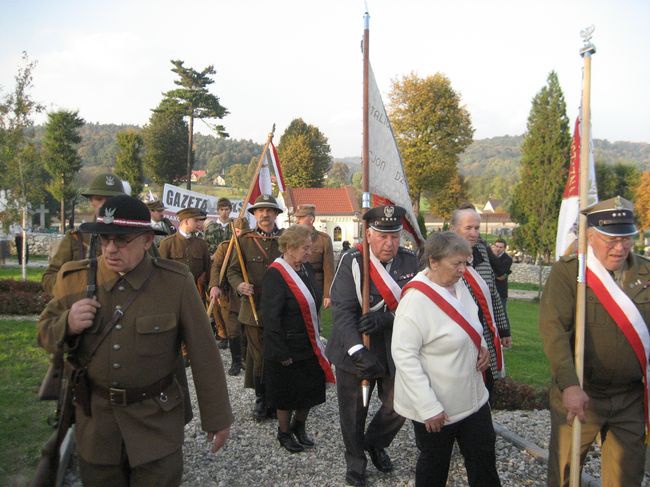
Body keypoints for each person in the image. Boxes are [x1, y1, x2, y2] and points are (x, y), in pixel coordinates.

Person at [37, 195, 233, 487]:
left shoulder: (175, 282)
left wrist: (217, 417)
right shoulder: (75, 278)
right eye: (105, 240)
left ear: (145, 240)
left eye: (122, 240)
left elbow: (204, 353)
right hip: (97, 424)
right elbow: (43, 334)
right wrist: (67, 323)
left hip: (156, 421)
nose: (111, 249)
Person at [540, 196, 650, 487]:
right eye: (610, 239)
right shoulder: (570, 272)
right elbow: (554, 331)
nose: (620, 247)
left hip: (630, 397)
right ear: (590, 235)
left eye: (626, 238)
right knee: (565, 473)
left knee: (627, 475)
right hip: (582, 394)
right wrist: (570, 384)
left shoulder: (645, 272)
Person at [392, 231, 500, 487]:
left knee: (484, 461)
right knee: (434, 467)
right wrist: (428, 407)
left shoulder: (458, 284)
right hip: (438, 405)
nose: (464, 270)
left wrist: (481, 346)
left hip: (474, 398)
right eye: (457, 264)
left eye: (466, 262)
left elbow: (471, 322)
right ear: (433, 262)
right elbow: (404, 357)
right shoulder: (415, 302)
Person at [327, 205, 419, 487]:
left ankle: (375, 442)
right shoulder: (352, 260)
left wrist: (388, 317)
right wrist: (357, 351)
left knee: (400, 404)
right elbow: (342, 312)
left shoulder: (409, 261)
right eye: (382, 236)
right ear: (368, 234)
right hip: (354, 347)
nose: (389, 243)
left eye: (394, 236)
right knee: (354, 412)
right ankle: (355, 463)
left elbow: (415, 304)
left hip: (393, 347)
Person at [261, 224, 336, 453]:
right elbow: (270, 317)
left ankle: (299, 427)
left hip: (308, 343)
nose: (309, 252)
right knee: (287, 393)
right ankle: (284, 433)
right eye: (305, 247)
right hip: (287, 345)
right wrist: (280, 352)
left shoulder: (306, 270)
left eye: (310, 247)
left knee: (310, 390)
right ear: (290, 247)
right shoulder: (275, 274)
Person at [227, 194, 284, 420]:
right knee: (259, 355)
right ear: (254, 215)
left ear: (277, 214)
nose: (265, 214)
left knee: (278, 353)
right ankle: (261, 399)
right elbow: (232, 270)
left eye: (269, 210)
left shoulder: (287, 240)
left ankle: (277, 396)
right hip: (253, 308)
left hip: (281, 310)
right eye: (260, 211)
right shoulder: (245, 241)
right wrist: (240, 285)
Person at [450, 205, 511, 394]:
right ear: (453, 229)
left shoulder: (482, 253)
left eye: (476, 228)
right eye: (468, 228)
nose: (474, 233)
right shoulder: (441, 257)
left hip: (485, 333)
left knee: (487, 386)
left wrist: (503, 329)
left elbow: (492, 293)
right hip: (457, 337)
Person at [42, 173, 125, 295]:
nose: (105, 205)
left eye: (111, 199)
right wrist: (78, 287)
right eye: (99, 199)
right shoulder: (77, 238)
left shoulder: (137, 238)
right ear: (91, 201)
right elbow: (48, 279)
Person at [208, 217, 250, 376]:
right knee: (233, 330)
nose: (240, 236)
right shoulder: (225, 247)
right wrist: (214, 286)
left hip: (246, 294)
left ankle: (247, 359)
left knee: (247, 329)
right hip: (228, 294)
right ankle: (236, 361)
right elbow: (216, 267)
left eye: (244, 233)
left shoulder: (251, 245)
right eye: (238, 232)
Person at [158, 207, 211, 293]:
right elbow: (160, 272)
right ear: (186, 221)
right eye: (196, 221)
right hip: (173, 293)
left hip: (196, 294)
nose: (199, 224)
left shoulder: (202, 244)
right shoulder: (167, 243)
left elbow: (208, 268)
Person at [293, 204, 335, 308]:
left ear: (311, 219)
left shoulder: (323, 239)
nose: (297, 221)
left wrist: (327, 294)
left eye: (301, 217)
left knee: (313, 318)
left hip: (315, 285)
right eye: (297, 217)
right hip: (294, 284)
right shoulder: (291, 238)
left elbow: (329, 269)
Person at [490, 238, 513, 308]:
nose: (498, 249)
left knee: (502, 313)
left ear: (504, 248)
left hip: (500, 290)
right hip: (489, 289)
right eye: (496, 246)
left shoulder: (508, 259)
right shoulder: (489, 256)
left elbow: (501, 273)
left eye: (500, 247)